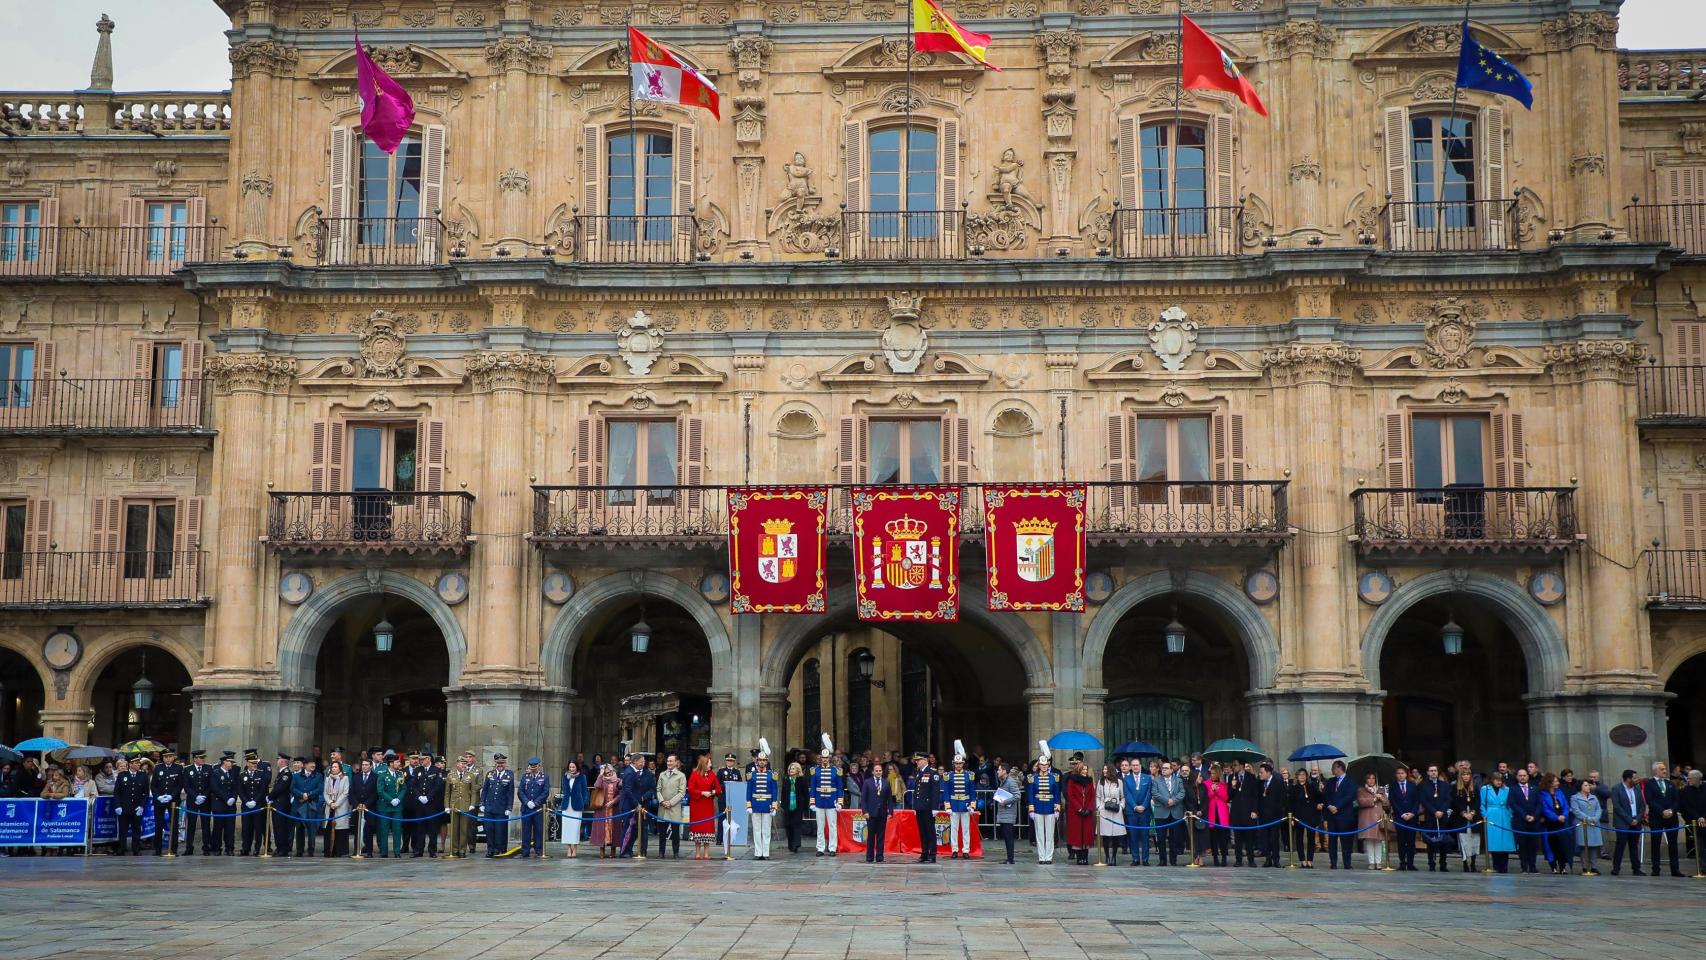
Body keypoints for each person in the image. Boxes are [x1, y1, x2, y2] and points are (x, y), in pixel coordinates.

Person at [1645, 761, 1684, 876]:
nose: (1665, 771)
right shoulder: (1649, 784)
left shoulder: (1670, 783)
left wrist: (1672, 810)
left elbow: (1676, 799)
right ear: (1655, 770)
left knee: (1673, 844)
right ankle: (1655, 869)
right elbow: (1650, 800)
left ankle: (1675, 869)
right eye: (1662, 769)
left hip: (1671, 818)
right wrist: (1662, 811)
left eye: (1665, 769)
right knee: (1655, 843)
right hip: (1657, 817)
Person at [1027, 743, 1061, 864]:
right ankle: (1041, 857)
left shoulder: (1054, 777)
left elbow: (1057, 794)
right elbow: (1030, 794)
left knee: (1050, 834)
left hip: (1050, 807)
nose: (1044, 766)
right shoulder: (1032, 778)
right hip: (1038, 807)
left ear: (1048, 765)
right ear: (1039, 765)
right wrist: (1031, 809)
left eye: (1046, 765)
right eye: (1042, 765)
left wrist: (1057, 808)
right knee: (1040, 834)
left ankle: (1049, 857)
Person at [1610, 768, 1647, 875]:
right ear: (1628, 778)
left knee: (1634, 846)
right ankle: (1616, 868)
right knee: (1620, 845)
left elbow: (1642, 805)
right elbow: (1617, 807)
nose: (1637, 780)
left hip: (1636, 821)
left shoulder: (1637, 788)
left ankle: (1636, 868)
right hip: (1623, 822)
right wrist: (1629, 820)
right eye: (1634, 778)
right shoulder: (1617, 789)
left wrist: (1638, 819)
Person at [617, 753, 654, 858]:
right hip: (629, 805)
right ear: (635, 761)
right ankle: (624, 851)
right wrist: (636, 803)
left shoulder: (633, 771)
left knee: (633, 829)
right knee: (627, 829)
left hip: (633, 804)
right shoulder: (630, 772)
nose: (643, 764)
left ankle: (628, 850)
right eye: (641, 761)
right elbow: (628, 791)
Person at [445, 752, 480, 860]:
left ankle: (462, 850)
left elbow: (473, 791)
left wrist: (472, 804)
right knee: (454, 829)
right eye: (462, 763)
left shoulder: (471, 776)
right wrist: (446, 806)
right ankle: (454, 849)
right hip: (454, 805)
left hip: (465, 805)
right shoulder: (451, 775)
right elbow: (447, 793)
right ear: (457, 764)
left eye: (465, 764)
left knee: (464, 829)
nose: (464, 765)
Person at [1417, 764, 1452, 871]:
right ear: (1427, 772)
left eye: (1435, 771)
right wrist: (1434, 811)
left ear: (1438, 772)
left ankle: (1443, 864)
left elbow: (1448, 799)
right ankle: (1431, 863)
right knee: (1430, 841)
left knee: (1443, 842)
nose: (1433, 772)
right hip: (1430, 816)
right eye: (1431, 770)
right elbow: (1423, 800)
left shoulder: (1445, 785)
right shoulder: (1423, 785)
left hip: (1442, 816)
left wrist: (1441, 811)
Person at [479, 753, 516, 858]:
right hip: (489, 807)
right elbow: (485, 790)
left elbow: (510, 793)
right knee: (489, 829)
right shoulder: (490, 774)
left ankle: (500, 848)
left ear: (505, 764)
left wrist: (509, 807)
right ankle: (490, 849)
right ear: (495, 763)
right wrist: (482, 803)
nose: (500, 765)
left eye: (502, 763)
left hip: (501, 807)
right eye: (498, 763)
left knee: (500, 830)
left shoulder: (509, 775)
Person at [811, 740, 843, 857]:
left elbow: (840, 788)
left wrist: (840, 802)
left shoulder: (837, 771)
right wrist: (812, 802)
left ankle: (832, 848)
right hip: (819, 801)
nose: (824, 760)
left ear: (829, 758)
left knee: (832, 825)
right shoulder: (815, 770)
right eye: (822, 758)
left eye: (826, 758)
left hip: (832, 801)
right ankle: (820, 848)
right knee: (820, 826)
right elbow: (813, 787)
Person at [149, 749, 184, 856]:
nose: (168, 759)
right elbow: (153, 785)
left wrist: (171, 796)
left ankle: (173, 849)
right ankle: (157, 849)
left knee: (174, 825)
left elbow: (180, 784)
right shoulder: (158, 768)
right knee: (158, 825)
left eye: (170, 756)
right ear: (163, 758)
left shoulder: (178, 768)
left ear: (173, 757)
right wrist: (158, 796)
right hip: (160, 800)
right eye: (165, 757)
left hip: (173, 800)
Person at [1537, 772, 1574, 873]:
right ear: (1550, 783)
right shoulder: (1543, 794)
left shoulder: (1559, 792)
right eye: (1556, 781)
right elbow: (1544, 809)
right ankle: (1553, 866)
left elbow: (1566, 806)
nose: (1558, 783)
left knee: (1562, 845)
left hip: (1561, 824)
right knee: (1550, 846)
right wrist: (1556, 817)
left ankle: (1563, 866)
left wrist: (1563, 816)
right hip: (1549, 824)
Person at [687, 754, 722, 860]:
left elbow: (719, 788)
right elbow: (691, 789)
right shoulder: (694, 774)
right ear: (704, 764)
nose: (711, 765)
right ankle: (697, 853)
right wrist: (702, 793)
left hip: (707, 805)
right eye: (709, 763)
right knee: (698, 828)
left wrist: (712, 792)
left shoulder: (712, 775)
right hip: (697, 805)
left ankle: (706, 853)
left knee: (707, 829)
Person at [112, 756, 148, 856]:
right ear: (130, 764)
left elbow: (146, 793)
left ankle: (136, 849)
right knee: (123, 830)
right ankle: (121, 849)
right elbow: (117, 792)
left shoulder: (143, 775)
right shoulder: (122, 775)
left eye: (139, 763)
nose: (138, 765)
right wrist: (118, 806)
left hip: (137, 808)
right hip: (124, 807)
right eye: (136, 763)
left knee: (136, 829)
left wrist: (142, 806)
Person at [747, 742, 777, 860]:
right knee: (756, 830)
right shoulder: (751, 775)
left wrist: (774, 806)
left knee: (766, 830)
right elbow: (749, 791)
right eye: (760, 760)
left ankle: (766, 853)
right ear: (757, 761)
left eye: (764, 760)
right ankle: (758, 853)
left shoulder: (772, 775)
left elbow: (774, 791)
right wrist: (748, 805)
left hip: (767, 805)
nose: (762, 762)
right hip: (755, 804)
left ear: (767, 761)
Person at [1509, 769, 1542, 874]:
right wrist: (1524, 815)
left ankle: (1533, 866)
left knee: (1533, 845)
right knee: (1522, 845)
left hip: (1534, 822)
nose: (1522, 777)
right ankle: (1524, 866)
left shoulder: (1535, 789)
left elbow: (1539, 804)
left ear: (1528, 776)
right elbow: (1513, 804)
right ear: (1517, 777)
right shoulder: (1513, 789)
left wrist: (1534, 816)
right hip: (1520, 821)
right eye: (1520, 775)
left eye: (1524, 775)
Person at [859, 757, 893, 862]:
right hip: (871, 813)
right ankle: (869, 856)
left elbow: (889, 799)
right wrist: (865, 812)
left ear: (882, 772)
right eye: (876, 771)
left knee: (881, 836)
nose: (878, 772)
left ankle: (879, 856)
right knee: (871, 836)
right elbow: (863, 799)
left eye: (880, 771)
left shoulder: (886, 782)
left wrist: (891, 811)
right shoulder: (867, 782)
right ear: (873, 772)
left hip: (882, 813)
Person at [910, 752, 942, 863]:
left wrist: (935, 808)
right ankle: (924, 854)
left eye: (918, 760)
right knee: (922, 831)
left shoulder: (933, 773)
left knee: (930, 831)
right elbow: (917, 791)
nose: (916, 762)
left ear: (925, 760)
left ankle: (932, 854)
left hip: (928, 807)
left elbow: (935, 792)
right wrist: (915, 806)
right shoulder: (919, 772)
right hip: (920, 807)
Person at [1121, 757, 1153, 866]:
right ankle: (1135, 858)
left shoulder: (1147, 778)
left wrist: (1143, 806)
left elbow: (1149, 793)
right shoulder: (1126, 779)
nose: (1135, 767)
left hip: (1145, 811)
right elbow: (1127, 794)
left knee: (1145, 836)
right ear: (1130, 767)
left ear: (1140, 766)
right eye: (1133, 765)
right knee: (1133, 836)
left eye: (1137, 765)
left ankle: (1145, 859)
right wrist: (1135, 806)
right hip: (1132, 811)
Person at [1480, 771, 1514, 873]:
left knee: (1504, 841)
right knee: (1494, 841)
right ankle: (1495, 865)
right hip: (1491, 816)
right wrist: (1484, 815)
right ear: (1492, 780)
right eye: (1496, 780)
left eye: (1500, 780)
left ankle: (1504, 866)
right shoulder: (1485, 789)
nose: (1499, 782)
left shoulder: (1507, 789)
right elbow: (1482, 804)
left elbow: (1510, 804)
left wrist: (1510, 815)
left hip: (1504, 815)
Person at [1385, 766, 1418, 871]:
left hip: (1412, 817)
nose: (1400, 775)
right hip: (1400, 817)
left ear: (1406, 774)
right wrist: (1402, 814)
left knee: (1411, 841)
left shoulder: (1413, 785)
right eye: (1398, 773)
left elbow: (1417, 800)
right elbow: (1393, 801)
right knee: (1401, 841)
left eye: (1402, 773)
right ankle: (1402, 862)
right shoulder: (1393, 786)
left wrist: (1412, 813)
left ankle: (1410, 863)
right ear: (1396, 775)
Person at [517, 757, 550, 860]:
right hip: (527, 808)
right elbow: (520, 791)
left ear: (539, 766)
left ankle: (539, 850)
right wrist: (527, 802)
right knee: (526, 830)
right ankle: (525, 850)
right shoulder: (525, 776)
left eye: (535, 767)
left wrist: (536, 803)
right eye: (531, 767)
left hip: (538, 808)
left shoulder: (544, 777)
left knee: (538, 830)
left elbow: (545, 792)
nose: (533, 769)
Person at [183, 749, 213, 856]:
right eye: (200, 758)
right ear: (195, 759)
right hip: (192, 801)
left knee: (206, 825)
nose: (203, 759)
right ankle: (189, 847)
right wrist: (196, 796)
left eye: (203, 757)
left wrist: (203, 796)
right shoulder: (187, 769)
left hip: (205, 801)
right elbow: (186, 786)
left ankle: (206, 847)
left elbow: (211, 784)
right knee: (191, 825)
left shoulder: (209, 768)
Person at [1255, 762, 1286, 867]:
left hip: (1274, 816)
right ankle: (1268, 858)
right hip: (1263, 816)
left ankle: (1276, 859)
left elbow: (1282, 799)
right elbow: (1258, 799)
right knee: (1265, 839)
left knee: (1274, 839)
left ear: (1268, 772)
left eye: (1262, 772)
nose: (1260, 774)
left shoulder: (1278, 782)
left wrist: (1280, 812)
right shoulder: (1260, 783)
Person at [237, 750, 268, 856]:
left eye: (255, 763)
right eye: (252, 763)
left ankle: (257, 848)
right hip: (246, 806)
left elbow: (263, 789)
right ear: (247, 763)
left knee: (258, 828)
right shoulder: (242, 775)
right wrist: (246, 801)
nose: (254, 765)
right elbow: (240, 790)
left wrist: (255, 801)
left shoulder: (261, 774)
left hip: (258, 805)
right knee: (246, 828)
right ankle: (245, 848)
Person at [374, 754, 405, 858]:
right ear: (391, 763)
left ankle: (397, 851)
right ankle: (384, 852)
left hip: (397, 807)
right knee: (384, 830)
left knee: (397, 830)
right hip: (385, 807)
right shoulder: (382, 775)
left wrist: (398, 799)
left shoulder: (400, 774)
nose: (399, 764)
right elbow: (380, 790)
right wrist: (391, 800)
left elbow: (404, 788)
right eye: (397, 762)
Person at [1571, 778, 1603, 875]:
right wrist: (1588, 819)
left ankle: (1593, 867)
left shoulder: (1594, 797)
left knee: (1594, 846)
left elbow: (1599, 809)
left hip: (1594, 824)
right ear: (1580, 787)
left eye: (1588, 785)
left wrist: (1595, 818)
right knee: (1584, 846)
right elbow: (1576, 811)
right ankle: (1585, 867)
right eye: (1585, 785)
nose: (1588, 787)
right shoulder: (1575, 798)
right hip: (1583, 824)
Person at [291, 758, 323, 857]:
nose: (313, 765)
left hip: (312, 805)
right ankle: (299, 850)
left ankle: (311, 850)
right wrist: (301, 795)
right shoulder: (296, 776)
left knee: (311, 829)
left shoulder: (318, 776)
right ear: (305, 765)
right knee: (299, 827)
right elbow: (292, 788)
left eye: (314, 763)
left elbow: (320, 788)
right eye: (311, 763)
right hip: (299, 805)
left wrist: (308, 795)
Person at [1094, 764, 1125, 865]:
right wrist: (1099, 807)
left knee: (1115, 835)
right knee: (1105, 835)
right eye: (1103, 769)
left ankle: (1114, 857)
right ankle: (1107, 856)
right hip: (1104, 811)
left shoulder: (1119, 782)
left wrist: (1121, 807)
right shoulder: (1101, 782)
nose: (1104, 771)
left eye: (1106, 769)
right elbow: (1098, 796)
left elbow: (1123, 796)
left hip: (1116, 811)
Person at [1356, 772, 1388, 870]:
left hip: (1379, 817)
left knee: (1378, 841)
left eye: (1373, 778)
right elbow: (1360, 801)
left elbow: (1387, 803)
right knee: (1369, 841)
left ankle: (1378, 862)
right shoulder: (1361, 790)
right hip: (1367, 818)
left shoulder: (1381, 789)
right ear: (1366, 780)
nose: (1371, 780)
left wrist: (1381, 798)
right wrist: (1373, 799)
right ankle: (1371, 862)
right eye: (1369, 778)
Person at [1227, 761, 1256, 867]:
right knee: (1238, 838)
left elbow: (1255, 795)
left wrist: (1254, 810)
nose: (1234, 767)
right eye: (1233, 765)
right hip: (1237, 811)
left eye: (1235, 765)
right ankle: (1238, 859)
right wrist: (1233, 787)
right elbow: (1229, 796)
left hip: (1248, 811)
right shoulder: (1231, 778)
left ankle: (1251, 859)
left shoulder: (1251, 777)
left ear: (1242, 766)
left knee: (1249, 838)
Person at [1450, 767, 1480, 872]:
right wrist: (1463, 813)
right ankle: (1465, 863)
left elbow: (1477, 802)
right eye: (1464, 774)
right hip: (1461, 817)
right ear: (1460, 776)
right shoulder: (1455, 788)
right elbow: (1455, 802)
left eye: (1468, 774)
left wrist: (1472, 812)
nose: (1466, 776)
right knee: (1463, 841)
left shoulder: (1475, 788)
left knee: (1474, 840)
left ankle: (1473, 863)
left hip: (1473, 817)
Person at [1289, 767, 1320, 868]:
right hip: (1299, 816)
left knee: (1311, 839)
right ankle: (1302, 859)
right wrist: (1292, 817)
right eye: (1300, 775)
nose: (1302, 777)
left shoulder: (1312, 786)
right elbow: (1291, 804)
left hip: (1310, 815)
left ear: (1307, 776)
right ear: (1297, 777)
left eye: (1304, 775)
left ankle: (1310, 859)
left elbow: (1319, 798)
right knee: (1299, 838)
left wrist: (1320, 789)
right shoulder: (1293, 788)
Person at [993, 762, 1022, 865]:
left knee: (1009, 837)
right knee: (1006, 836)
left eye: (999, 770)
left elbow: (1017, 795)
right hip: (1003, 813)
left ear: (1004, 771)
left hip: (1008, 813)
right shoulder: (1003, 781)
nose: (997, 771)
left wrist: (1004, 802)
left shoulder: (1010, 781)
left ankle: (1011, 858)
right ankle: (1009, 858)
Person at [591, 762, 622, 858]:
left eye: (610, 772)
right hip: (602, 809)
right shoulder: (602, 779)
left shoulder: (618, 780)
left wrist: (614, 801)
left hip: (614, 809)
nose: (608, 774)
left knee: (614, 829)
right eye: (606, 772)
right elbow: (596, 786)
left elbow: (622, 793)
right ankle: (602, 849)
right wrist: (600, 774)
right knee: (602, 830)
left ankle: (613, 850)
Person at [560, 760, 588, 858]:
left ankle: (575, 848)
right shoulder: (565, 777)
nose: (571, 769)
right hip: (566, 805)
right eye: (570, 767)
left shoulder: (582, 777)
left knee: (575, 828)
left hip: (577, 805)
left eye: (573, 767)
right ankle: (568, 848)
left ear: (577, 767)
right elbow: (564, 790)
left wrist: (583, 802)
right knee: (567, 828)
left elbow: (585, 791)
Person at [323, 759, 351, 857]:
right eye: (332, 767)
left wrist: (337, 803)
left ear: (340, 769)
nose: (333, 769)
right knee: (329, 828)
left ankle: (340, 851)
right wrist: (330, 802)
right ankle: (329, 851)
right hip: (330, 807)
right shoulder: (328, 779)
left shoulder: (345, 778)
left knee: (340, 829)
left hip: (340, 807)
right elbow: (325, 793)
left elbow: (345, 793)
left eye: (335, 767)